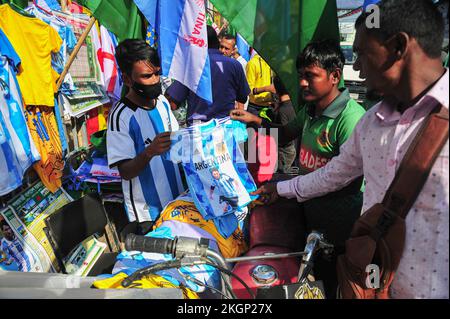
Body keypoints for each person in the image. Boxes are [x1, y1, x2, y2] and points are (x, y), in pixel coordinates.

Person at [246, 0, 449, 299]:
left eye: (362, 54)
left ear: (398, 48)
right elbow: (332, 174)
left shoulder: (355, 117)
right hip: (371, 286)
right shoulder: (371, 123)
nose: (355, 67)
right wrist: (283, 189)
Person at [231, 39, 366, 297]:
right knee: (306, 280)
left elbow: (341, 180)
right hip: (309, 218)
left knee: (335, 284)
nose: (303, 83)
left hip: (339, 229)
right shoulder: (310, 110)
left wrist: (283, 189)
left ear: (335, 76)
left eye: (310, 76)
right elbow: (284, 134)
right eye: (301, 75)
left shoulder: (351, 119)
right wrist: (255, 120)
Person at [107, 39, 185, 235]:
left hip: (176, 203)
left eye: (157, 73)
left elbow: (177, 143)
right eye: (146, 76)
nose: (154, 80)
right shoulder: (121, 116)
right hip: (147, 215)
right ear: (127, 79)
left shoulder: (162, 103)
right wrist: (149, 152)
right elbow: (125, 171)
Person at [165, 26, 250, 125]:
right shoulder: (235, 65)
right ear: (217, 42)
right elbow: (242, 97)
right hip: (226, 128)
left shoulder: (192, 65)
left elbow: (173, 102)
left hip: (198, 131)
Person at [272, 76, 297, 173]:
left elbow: (284, 133)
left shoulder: (282, 111)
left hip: (284, 151)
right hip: (292, 148)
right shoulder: (294, 105)